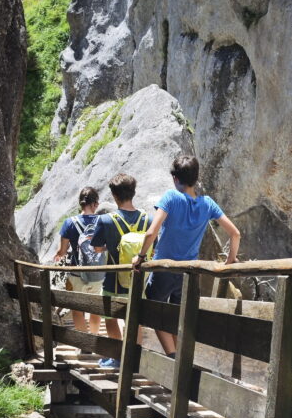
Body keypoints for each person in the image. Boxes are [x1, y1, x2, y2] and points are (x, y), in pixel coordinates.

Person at [131, 156, 240, 355]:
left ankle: (172, 357)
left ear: (175, 178)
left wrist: (139, 256)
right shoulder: (207, 203)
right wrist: (231, 260)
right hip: (188, 272)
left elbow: (151, 232)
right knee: (177, 315)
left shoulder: (171, 197)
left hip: (163, 268)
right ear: (196, 178)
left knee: (154, 309)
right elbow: (235, 233)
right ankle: (180, 359)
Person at [92, 173, 150, 368]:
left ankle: (117, 358)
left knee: (110, 317)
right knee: (135, 319)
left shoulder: (106, 220)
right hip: (138, 279)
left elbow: (97, 248)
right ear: (133, 192)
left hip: (113, 280)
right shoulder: (147, 220)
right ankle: (134, 359)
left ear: (114, 196)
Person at [54, 186, 103, 335]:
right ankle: (94, 339)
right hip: (98, 274)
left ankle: (84, 344)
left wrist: (58, 255)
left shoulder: (69, 223)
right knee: (95, 309)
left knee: (77, 309)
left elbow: (62, 252)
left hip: (76, 273)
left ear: (80, 203)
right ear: (95, 203)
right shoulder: (103, 221)